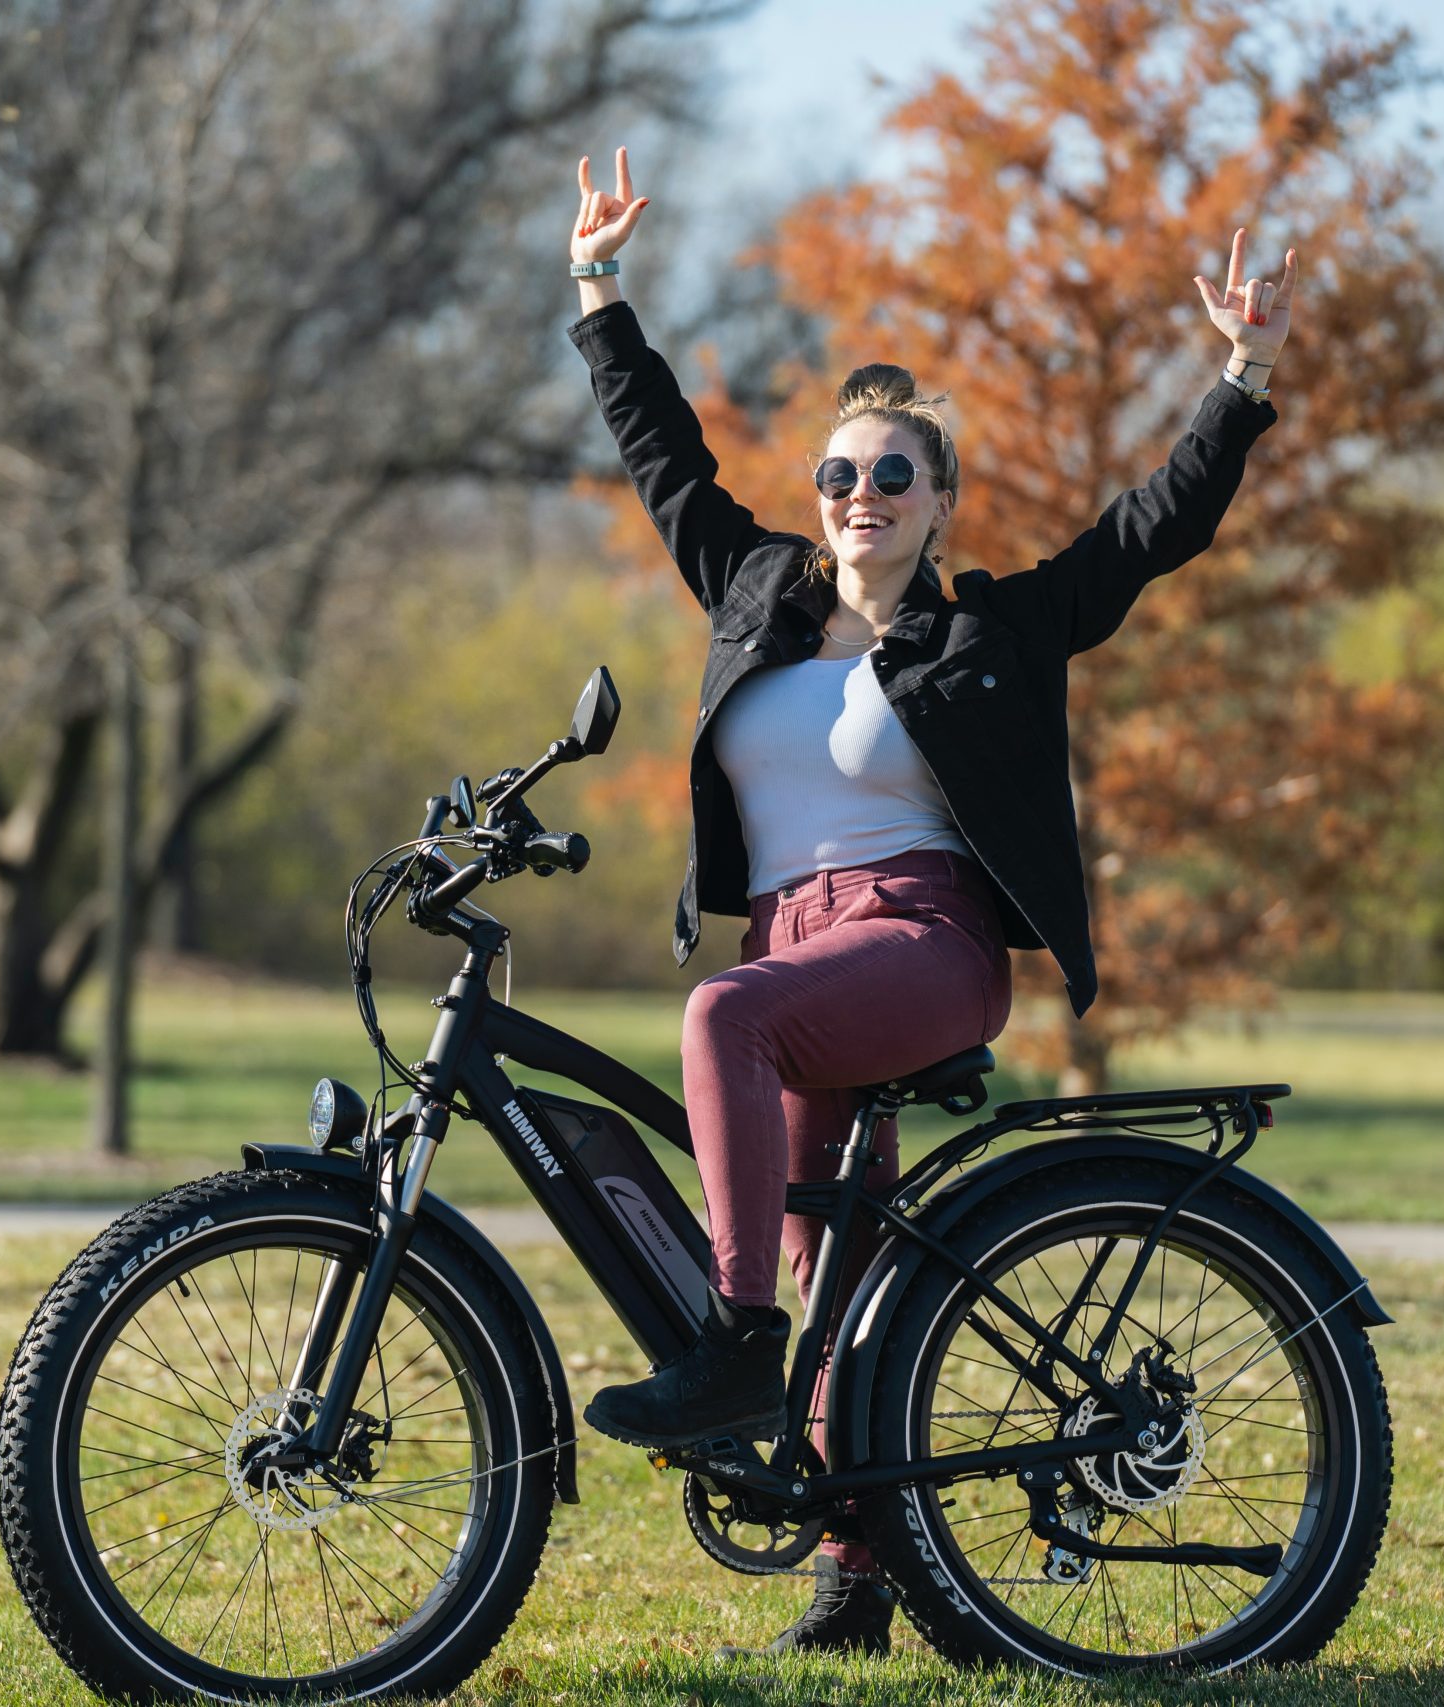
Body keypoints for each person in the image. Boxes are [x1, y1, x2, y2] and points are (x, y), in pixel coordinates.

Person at [562, 145, 1297, 1654]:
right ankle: (858, 1578)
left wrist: (1242, 374)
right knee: (843, 1265)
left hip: (923, 941)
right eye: (839, 473)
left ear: (939, 499)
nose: (860, 495)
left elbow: (1144, 534)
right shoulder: (760, 591)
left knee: (721, 1024)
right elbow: (663, 461)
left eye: (893, 474)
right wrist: (600, 290)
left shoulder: (991, 631)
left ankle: (733, 1344)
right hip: (797, 947)